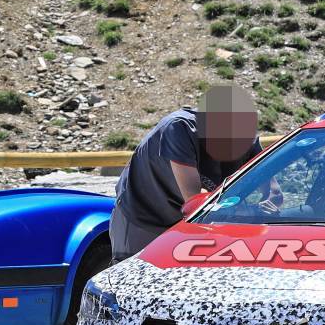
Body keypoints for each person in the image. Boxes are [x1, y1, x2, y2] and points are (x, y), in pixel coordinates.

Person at [108, 84, 264, 262]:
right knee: (133, 278)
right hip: (143, 217)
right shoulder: (179, 128)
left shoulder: (245, 139)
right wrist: (242, 211)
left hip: (184, 221)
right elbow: (194, 199)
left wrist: (268, 205)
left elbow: (273, 187)